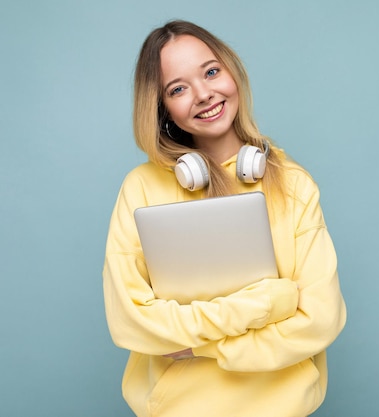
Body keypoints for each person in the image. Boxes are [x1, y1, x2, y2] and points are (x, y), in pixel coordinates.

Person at [102, 20, 347, 417]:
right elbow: (130, 321)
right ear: (161, 106)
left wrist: (198, 346)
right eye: (177, 88)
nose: (203, 94)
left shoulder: (294, 183)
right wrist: (270, 302)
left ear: (232, 72)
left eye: (211, 71)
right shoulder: (141, 187)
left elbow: (320, 319)